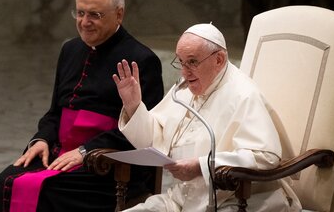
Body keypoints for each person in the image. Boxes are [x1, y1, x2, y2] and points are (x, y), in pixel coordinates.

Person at [0, 0, 164, 212]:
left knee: (45, 191)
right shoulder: (70, 49)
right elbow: (55, 111)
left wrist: (86, 151)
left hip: (108, 166)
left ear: (118, 14)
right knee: (4, 181)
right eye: (80, 13)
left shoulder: (142, 59)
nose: (84, 22)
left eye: (94, 15)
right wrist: (42, 138)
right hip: (61, 154)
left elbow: (146, 131)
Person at [112, 23, 302, 211]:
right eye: (181, 61)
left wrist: (202, 166)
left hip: (235, 201)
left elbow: (266, 156)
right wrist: (133, 105)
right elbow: (153, 139)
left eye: (192, 62)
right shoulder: (184, 89)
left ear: (219, 59)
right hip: (182, 199)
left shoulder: (243, 94)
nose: (184, 72)